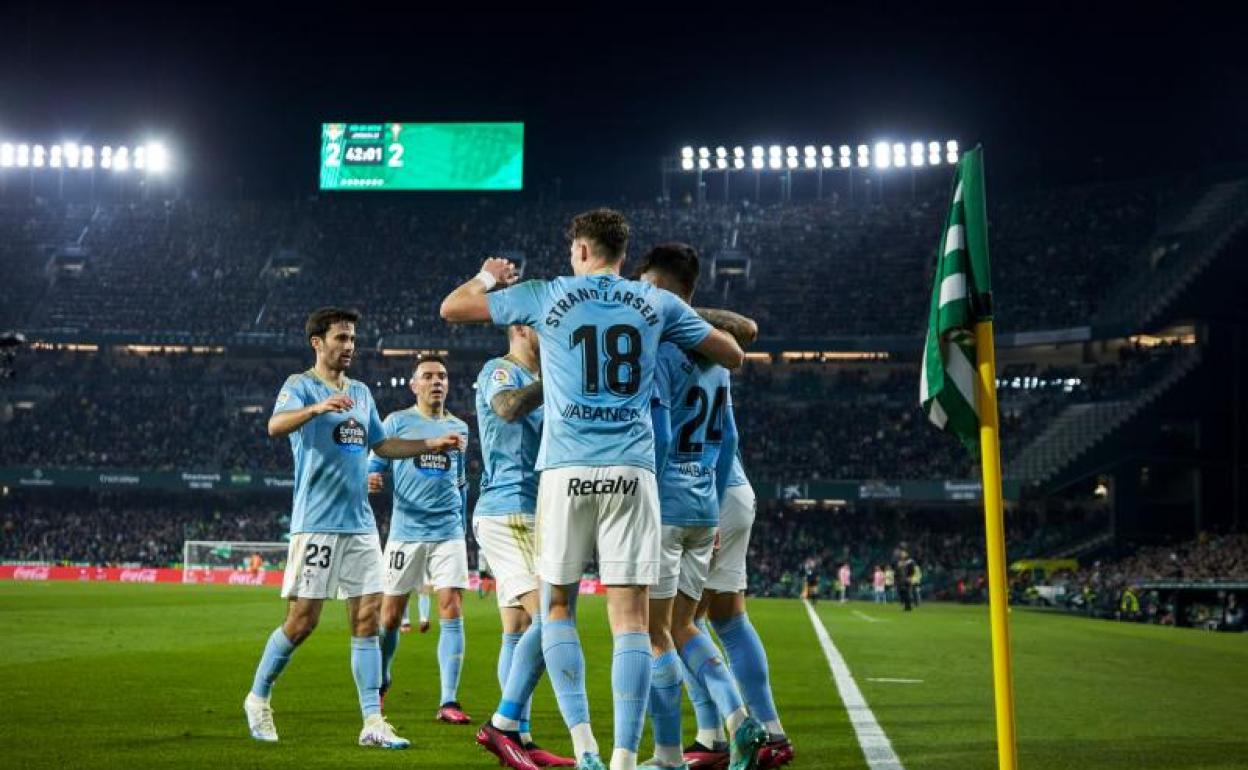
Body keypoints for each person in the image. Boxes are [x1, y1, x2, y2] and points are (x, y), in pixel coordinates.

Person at [440, 208, 746, 770]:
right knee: (632, 621)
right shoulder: (654, 303)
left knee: (556, 607)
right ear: (623, 255)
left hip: (565, 471)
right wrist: (673, 323)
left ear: (580, 250)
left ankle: (585, 748)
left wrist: (488, 275)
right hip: (633, 472)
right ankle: (626, 758)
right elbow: (734, 353)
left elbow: (453, 308)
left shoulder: (545, 294)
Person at [243, 307, 464, 749]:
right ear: (318, 342)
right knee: (302, 622)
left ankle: (372, 721)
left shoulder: (361, 392)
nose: (349, 346)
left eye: (352, 339)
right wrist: (316, 408)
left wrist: (429, 442)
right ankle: (258, 697)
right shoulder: (300, 385)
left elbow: (383, 444)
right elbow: (274, 426)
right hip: (316, 524)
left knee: (366, 620)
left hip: (361, 525)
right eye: (341, 338)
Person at [634, 243, 764, 770]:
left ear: (661, 290)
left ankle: (667, 755)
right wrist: (710, 499)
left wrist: (647, 495)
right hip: (703, 507)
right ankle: (738, 716)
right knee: (685, 626)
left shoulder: (661, 351)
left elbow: (662, 434)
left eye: (645, 287)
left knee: (654, 633)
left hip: (665, 506)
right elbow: (729, 439)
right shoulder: (717, 358)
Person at [474, 324, 575, 769]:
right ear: (518, 327)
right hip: (509, 509)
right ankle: (502, 725)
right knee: (552, 617)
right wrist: (559, 376)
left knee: (516, 628)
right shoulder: (500, 371)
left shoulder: (541, 379)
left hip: (538, 508)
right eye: (539, 323)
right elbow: (508, 407)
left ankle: (522, 737)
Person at [368, 355, 472, 724]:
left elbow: (461, 481)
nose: (436, 381)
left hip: (448, 531)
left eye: (441, 376)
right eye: (427, 376)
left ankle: (449, 701)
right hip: (406, 531)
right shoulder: (396, 422)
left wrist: (463, 527)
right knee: (391, 615)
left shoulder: (460, 427)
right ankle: (382, 680)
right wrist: (372, 477)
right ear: (414, 385)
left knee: (451, 606)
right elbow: (376, 462)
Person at [689, 449, 794, 770]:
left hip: (702, 490)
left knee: (681, 622)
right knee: (730, 622)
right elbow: (731, 436)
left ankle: (713, 737)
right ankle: (773, 734)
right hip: (735, 488)